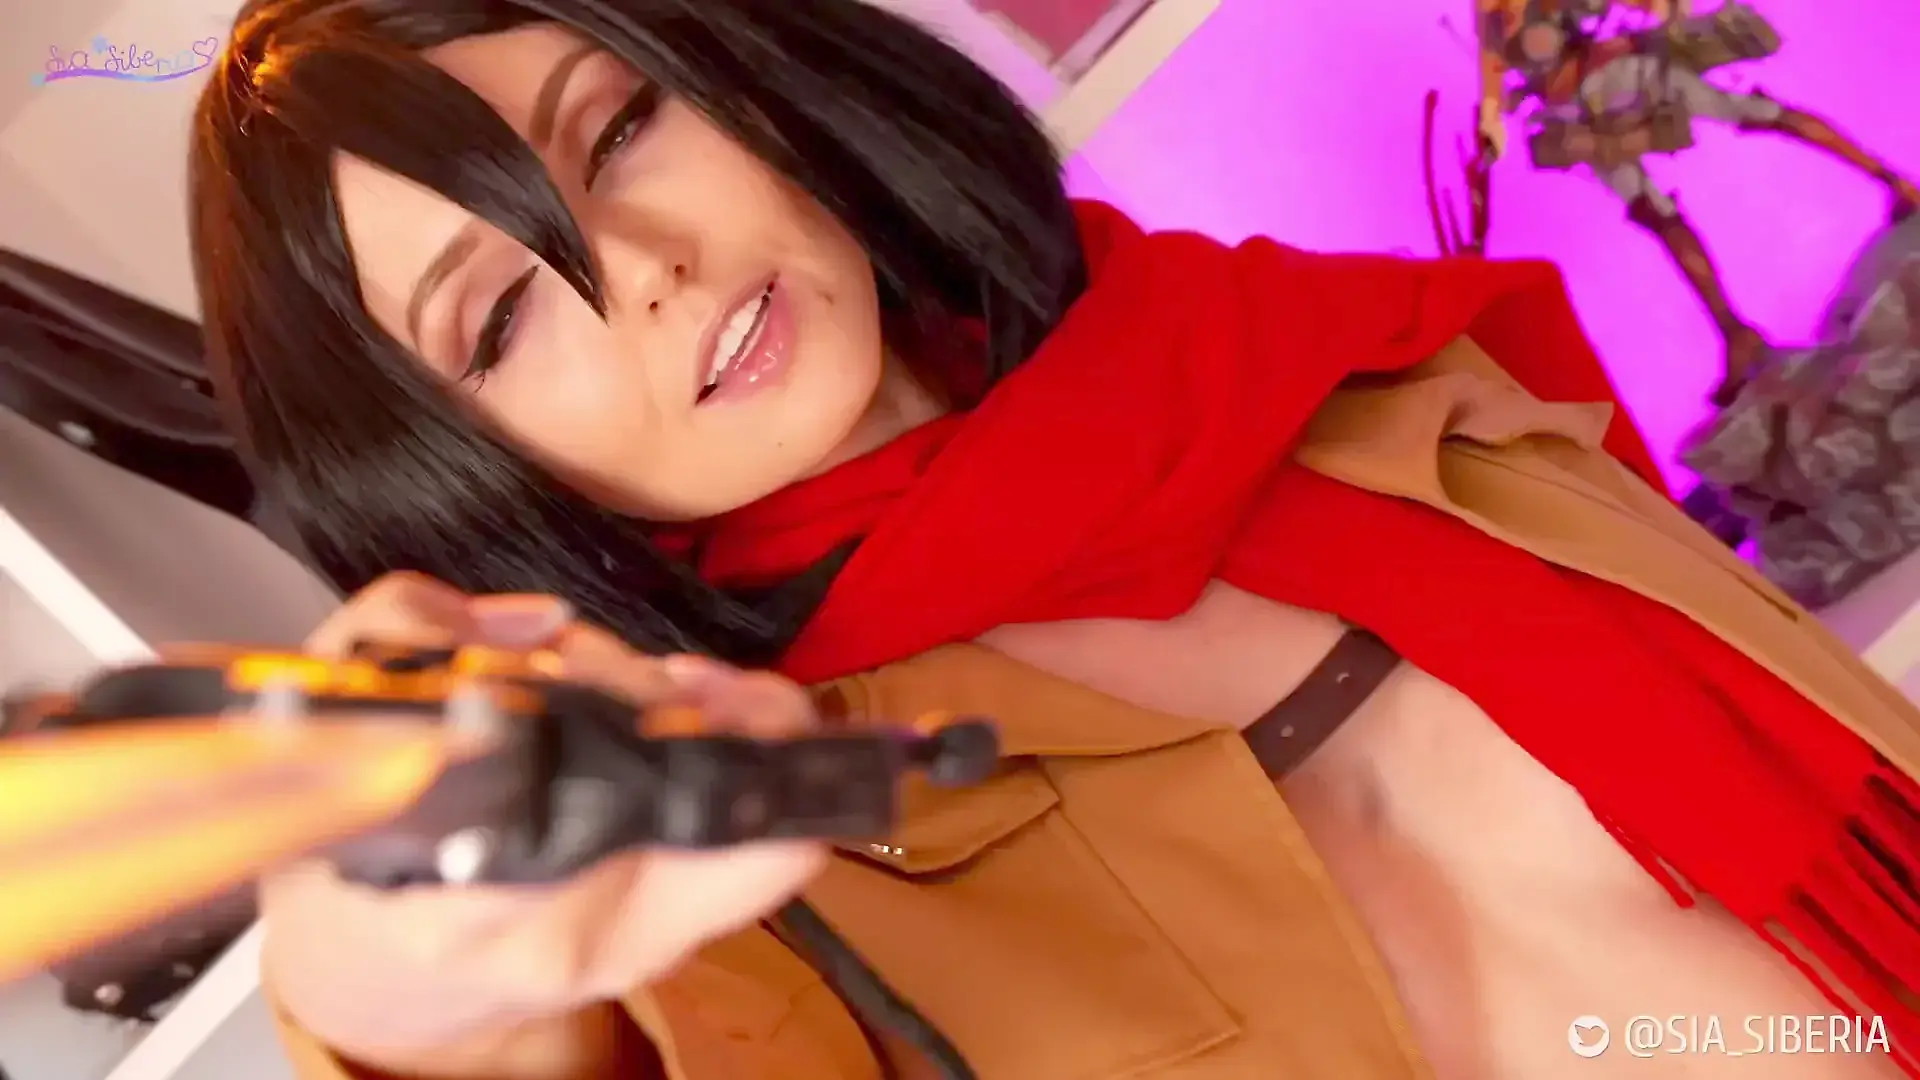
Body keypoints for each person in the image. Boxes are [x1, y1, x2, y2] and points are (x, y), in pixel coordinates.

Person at [187, 1, 1920, 1077]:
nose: (639, 264)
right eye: (501, 319)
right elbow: (555, 1034)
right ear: (450, 464)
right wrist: (386, 1000)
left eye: (620, 125)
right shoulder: (754, 856)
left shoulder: (1311, 356)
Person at [1476, 0, 1920, 406]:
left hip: (1628, 81)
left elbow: (1652, 7)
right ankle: (1735, 334)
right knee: (1655, 214)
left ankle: (1893, 180)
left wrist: (1631, 38)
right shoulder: (1487, 13)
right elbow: (1494, 81)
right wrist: (1494, 123)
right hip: (1581, 122)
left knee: (1756, 114)